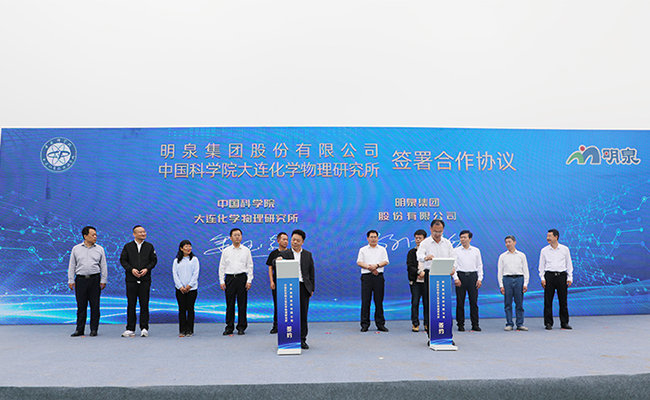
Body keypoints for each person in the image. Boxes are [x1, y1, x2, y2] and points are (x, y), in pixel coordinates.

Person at [275, 229, 315, 349]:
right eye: (293, 240)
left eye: (298, 240)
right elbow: (274, 262)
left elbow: (311, 273)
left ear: (302, 242)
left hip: (303, 287)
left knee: (303, 314)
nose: (295, 242)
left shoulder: (307, 255)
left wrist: (311, 288)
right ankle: (289, 338)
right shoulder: (285, 253)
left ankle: (302, 339)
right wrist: (277, 260)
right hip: (289, 287)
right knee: (289, 314)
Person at [416, 219, 457, 335]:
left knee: (445, 305)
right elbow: (419, 256)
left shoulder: (447, 243)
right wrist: (426, 258)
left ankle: (447, 334)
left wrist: (453, 267)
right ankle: (432, 334)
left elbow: (453, 257)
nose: (437, 234)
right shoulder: (425, 243)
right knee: (430, 305)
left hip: (444, 275)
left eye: (440, 232)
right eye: (435, 231)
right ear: (430, 229)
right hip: (431, 276)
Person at [68, 226, 108, 337]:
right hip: (80, 280)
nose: (95, 237)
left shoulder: (100, 249)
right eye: (92, 235)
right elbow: (72, 265)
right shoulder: (76, 249)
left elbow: (103, 265)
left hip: (95, 279)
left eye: (96, 235)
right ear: (85, 236)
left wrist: (103, 280)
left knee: (95, 305)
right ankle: (79, 329)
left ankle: (94, 329)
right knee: (81, 306)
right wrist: (71, 280)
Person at [120, 225, 157, 337]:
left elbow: (154, 261)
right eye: (140, 232)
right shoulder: (128, 246)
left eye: (144, 232)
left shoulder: (149, 246)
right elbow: (123, 260)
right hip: (131, 280)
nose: (143, 234)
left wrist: (147, 269)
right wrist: (131, 269)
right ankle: (130, 328)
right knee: (131, 304)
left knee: (144, 304)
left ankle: (144, 328)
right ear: (134, 234)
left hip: (145, 280)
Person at [219, 228, 254, 335]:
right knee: (230, 304)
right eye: (235, 235)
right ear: (230, 237)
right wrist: (222, 280)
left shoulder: (246, 250)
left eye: (239, 235)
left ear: (241, 237)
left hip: (242, 278)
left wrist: (249, 280)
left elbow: (250, 266)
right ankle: (229, 327)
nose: (237, 237)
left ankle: (241, 327)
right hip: (229, 279)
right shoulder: (226, 251)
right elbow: (222, 266)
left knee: (242, 304)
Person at [539, 229, 573, 330]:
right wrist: (542, 278)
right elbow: (541, 266)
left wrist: (570, 277)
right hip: (549, 276)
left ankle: (564, 322)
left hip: (562, 276)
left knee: (563, 301)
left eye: (550, 236)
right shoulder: (544, 250)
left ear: (556, 237)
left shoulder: (565, 249)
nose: (547, 238)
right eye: (547, 236)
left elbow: (569, 264)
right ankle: (548, 323)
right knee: (548, 301)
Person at [357, 230, 390, 332]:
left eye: (375, 237)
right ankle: (364, 324)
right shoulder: (363, 250)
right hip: (366, 277)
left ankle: (380, 324)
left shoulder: (382, 249)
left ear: (378, 238)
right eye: (371, 237)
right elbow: (359, 262)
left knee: (379, 301)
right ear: (367, 238)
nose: (373, 239)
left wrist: (376, 266)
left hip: (378, 277)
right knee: (365, 301)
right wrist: (370, 267)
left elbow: (386, 261)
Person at [453, 230, 484, 332]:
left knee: (473, 302)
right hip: (461, 276)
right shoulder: (455, 251)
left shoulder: (476, 250)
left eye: (465, 237)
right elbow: (453, 266)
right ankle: (460, 324)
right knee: (460, 302)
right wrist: (456, 278)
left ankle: (475, 324)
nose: (462, 239)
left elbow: (479, 265)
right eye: (461, 237)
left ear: (470, 239)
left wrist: (479, 279)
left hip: (472, 277)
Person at [497, 235, 529, 331]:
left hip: (519, 279)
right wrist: (501, 285)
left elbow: (525, 270)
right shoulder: (502, 256)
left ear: (514, 242)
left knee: (519, 303)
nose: (508, 244)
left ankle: (520, 323)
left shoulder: (521, 255)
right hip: (507, 279)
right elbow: (500, 272)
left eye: (509, 242)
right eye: (506, 242)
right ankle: (509, 323)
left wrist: (525, 283)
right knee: (508, 303)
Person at [172, 240, 200, 337]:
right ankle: (182, 329)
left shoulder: (194, 260)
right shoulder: (176, 261)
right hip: (180, 289)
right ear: (181, 248)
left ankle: (190, 330)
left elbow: (196, 274)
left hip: (192, 289)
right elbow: (175, 274)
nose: (188, 248)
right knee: (182, 309)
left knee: (190, 309)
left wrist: (189, 285)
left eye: (189, 246)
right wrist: (180, 286)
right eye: (186, 246)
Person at [266, 232, 289, 334]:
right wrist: (271, 281)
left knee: (288, 304)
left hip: (288, 281)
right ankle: (276, 325)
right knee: (277, 304)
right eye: (283, 239)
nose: (286, 241)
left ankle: (287, 325)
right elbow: (270, 268)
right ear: (278, 241)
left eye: (287, 239)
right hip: (277, 281)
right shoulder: (273, 254)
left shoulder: (291, 253)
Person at [406, 229, 428, 333]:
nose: (418, 240)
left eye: (420, 238)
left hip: (427, 281)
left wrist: (425, 273)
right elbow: (410, 266)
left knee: (427, 303)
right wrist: (419, 272)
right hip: (415, 281)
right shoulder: (411, 252)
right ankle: (415, 323)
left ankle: (427, 323)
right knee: (415, 303)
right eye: (416, 238)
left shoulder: (429, 252)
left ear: (425, 239)